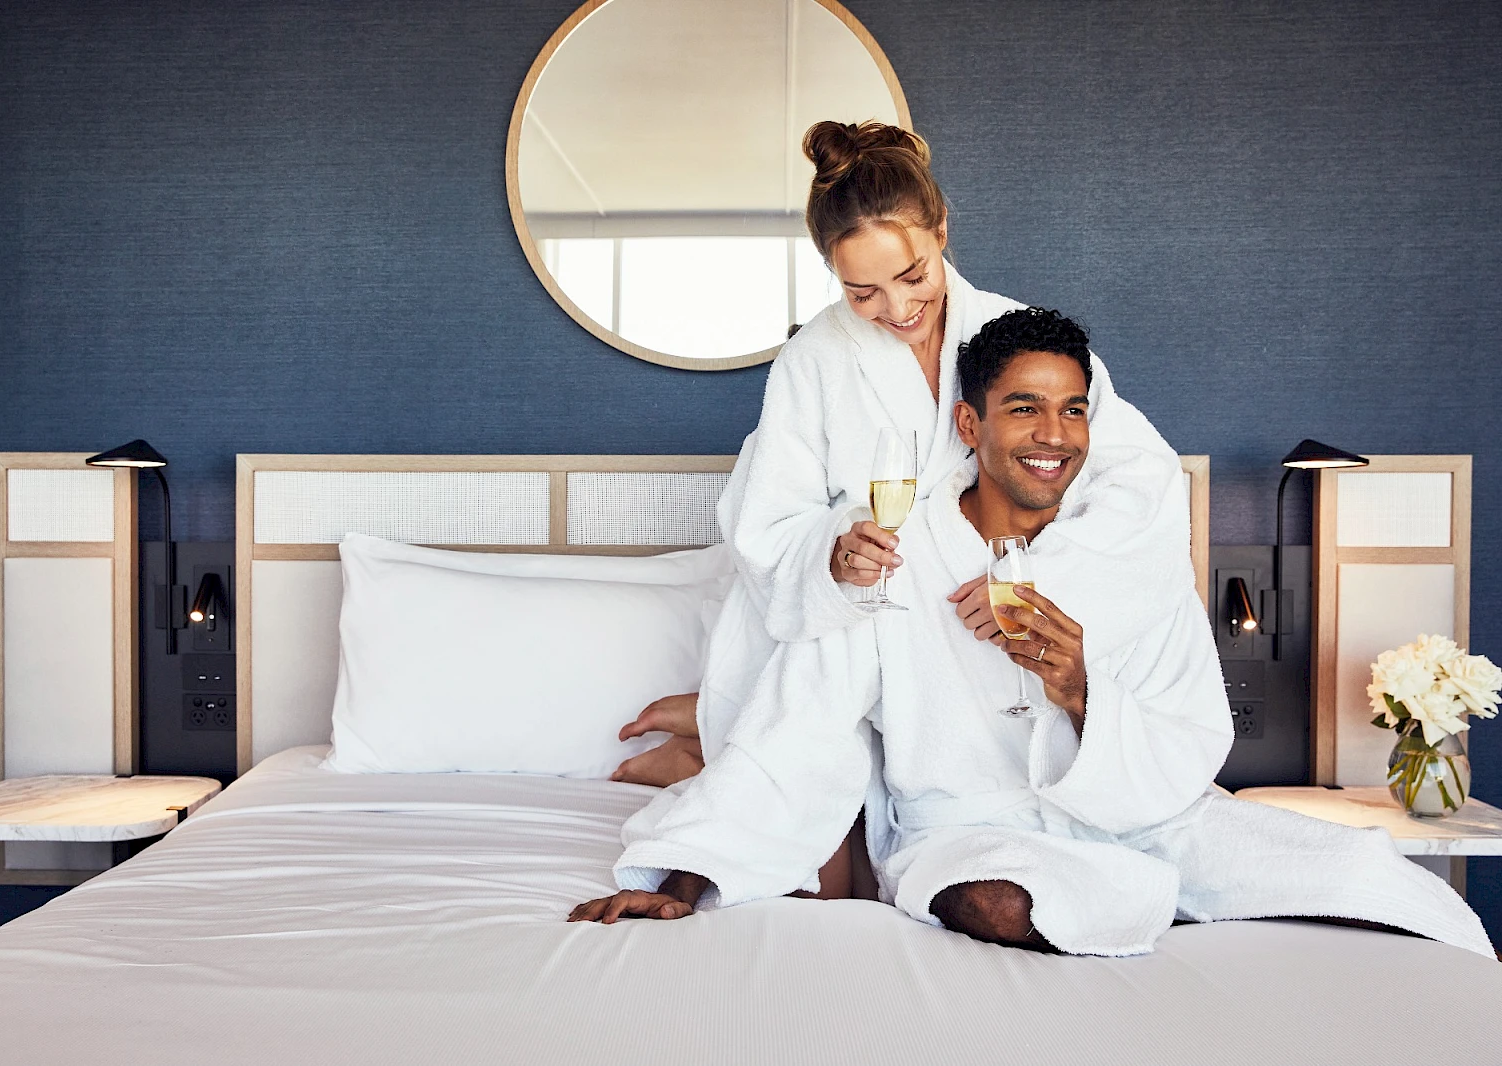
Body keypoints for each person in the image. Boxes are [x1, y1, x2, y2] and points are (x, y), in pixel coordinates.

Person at [572, 309, 1493, 959]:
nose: (1054, 436)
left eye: (1074, 408)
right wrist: (686, 878)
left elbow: (1194, 732)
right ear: (969, 423)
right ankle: (1149, 910)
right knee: (1004, 904)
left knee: (1383, 891)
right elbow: (799, 726)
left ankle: (1170, 897)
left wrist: (1081, 686)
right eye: (1024, 408)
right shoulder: (897, 556)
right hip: (970, 835)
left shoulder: (1126, 557)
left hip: (1147, 822)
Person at [603, 120, 1188, 901]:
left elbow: (1139, 479)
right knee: (823, 850)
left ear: (941, 231)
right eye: (861, 290)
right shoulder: (815, 359)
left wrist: (1038, 575)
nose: (896, 306)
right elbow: (767, 523)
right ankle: (715, 756)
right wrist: (835, 555)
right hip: (867, 610)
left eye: (913, 274)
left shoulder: (1013, 338)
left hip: (978, 614)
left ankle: (708, 733)